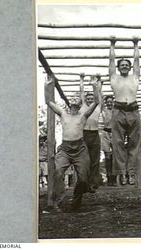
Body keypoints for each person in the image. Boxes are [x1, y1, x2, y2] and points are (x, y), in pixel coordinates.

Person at [44, 74, 101, 211]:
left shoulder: (84, 115)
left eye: (77, 98)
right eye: (72, 98)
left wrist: (94, 86)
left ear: (81, 104)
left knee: (82, 179)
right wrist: (47, 86)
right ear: (69, 103)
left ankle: (76, 201)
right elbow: (49, 102)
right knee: (57, 172)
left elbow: (97, 101)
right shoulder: (63, 114)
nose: (74, 99)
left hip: (80, 149)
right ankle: (56, 202)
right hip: (65, 149)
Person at [109, 36, 141, 185]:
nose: (124, 66)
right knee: (118, 142)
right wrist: (112, 45)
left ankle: (132, 173)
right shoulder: (114, 78)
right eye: (121, 65)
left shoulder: (134, 77)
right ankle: (122, 173)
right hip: (118, 109)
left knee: (134, 142)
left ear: (129, 67)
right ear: (118, 67)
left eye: (126, 65)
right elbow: (111, 62)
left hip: (133, 109)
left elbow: (137, 62)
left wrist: (135, 45)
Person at [80, 74, 103, 192]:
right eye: (88, 99)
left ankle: (93, 183)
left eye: (91, 99)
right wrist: (82, 80)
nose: (89, 100)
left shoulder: (98, 107)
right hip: (84, 134)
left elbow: (99, 95)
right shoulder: (83, 107)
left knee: (95, 160)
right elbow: (81, 92)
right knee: (84, 160)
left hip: (94, 134)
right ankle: (84, 184)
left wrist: (98, 82)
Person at [101, 95, 116, 186]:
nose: (109, 103)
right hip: (105, 132)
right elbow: (101, 103)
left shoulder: (116, 111)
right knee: (107, 157)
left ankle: (114, 178)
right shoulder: (104, 110)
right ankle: (109, 177)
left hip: (115, 133)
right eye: (108, 102)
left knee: (115, 157)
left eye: (111, 101)